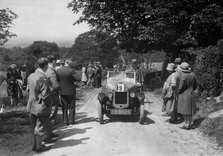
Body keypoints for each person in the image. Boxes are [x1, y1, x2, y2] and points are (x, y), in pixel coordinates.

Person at [27, 57, 52, 152]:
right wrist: (49, 105)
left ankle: (34, 145)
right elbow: (46, 95)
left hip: (31, 104)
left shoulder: (31, 76)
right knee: (40, 127)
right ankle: (39, 146)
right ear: (46, 66)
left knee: (33, 126)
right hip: (41, 106)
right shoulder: (43, 78)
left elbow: (28, 90)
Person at [57, 58, 80, 126]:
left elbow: (57, 80)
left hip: (62, 91)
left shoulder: (58, 70)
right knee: (71, 106)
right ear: (69, 63)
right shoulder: (71, 70)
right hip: (71, 91)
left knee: (64, 106)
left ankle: (65, 121)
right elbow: (78, 79)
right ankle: (71, 120)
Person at [177, 62, 197, 130]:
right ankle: (190, 123)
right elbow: (195, 85)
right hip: (191, 93)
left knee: (185, 110)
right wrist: (192, 89)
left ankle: (186, 124)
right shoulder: (193, 74)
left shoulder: (183, 76)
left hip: (184, 94)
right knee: (190, 109)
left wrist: (178, 92)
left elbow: (181, 86)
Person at [44, 54, 60, 142]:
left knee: (48, 113)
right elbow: (55, 85)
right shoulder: (51, 71)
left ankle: (50, 133)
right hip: (52, 95)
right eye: (55, 61)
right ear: (53, 61)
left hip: (46, 94)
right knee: (52, 114)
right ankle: (48, 135)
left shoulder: (45, 70)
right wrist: (60, 87)